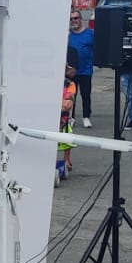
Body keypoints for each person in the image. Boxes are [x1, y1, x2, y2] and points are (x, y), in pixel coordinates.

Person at [69, 11, 96, 128]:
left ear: (81, 19)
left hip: (85, 70)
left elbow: (97, 49)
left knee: (85, 95)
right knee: (70, 95)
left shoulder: (90, 34)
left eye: (76, 18)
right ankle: (71, 117)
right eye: (71, 19)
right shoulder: (68, 35)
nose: (74, 21)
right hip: (70, 71)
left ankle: (86, 117)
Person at [58, 51, 79, 180]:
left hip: (64, 119)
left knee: (67, 139)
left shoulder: (70, 84)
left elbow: (67, 105)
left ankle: (67, 160)